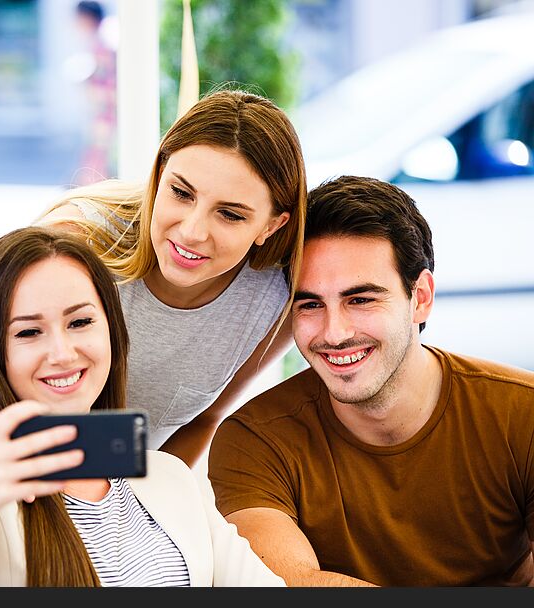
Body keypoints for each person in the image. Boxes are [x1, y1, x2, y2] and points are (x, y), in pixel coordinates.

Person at [0, 89, 307, 480]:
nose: (191, 231)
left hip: (107, 481)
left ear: (273, 225)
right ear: (158, 174)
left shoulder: (276, 298)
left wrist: (140, 515)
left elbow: (205, 419)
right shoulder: (81, 240)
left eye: (230, 215)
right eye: (181, 193)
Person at [0, 227, 285, 587]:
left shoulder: (169, 477)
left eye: (81, 322)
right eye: (28, 332)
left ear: (112, 330)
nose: (62, 353)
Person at [208, 175, 534, 587]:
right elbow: (287, 592)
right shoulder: (255, 441)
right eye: (310, 304)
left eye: (360, 299)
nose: (335, 332)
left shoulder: (523, 415)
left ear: (420, 298)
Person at [73, 1, 117, 184]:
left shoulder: (103, 42)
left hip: (107, 111)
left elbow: (107, 82)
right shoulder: (105, 38)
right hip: (106, 110)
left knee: (100, 156)